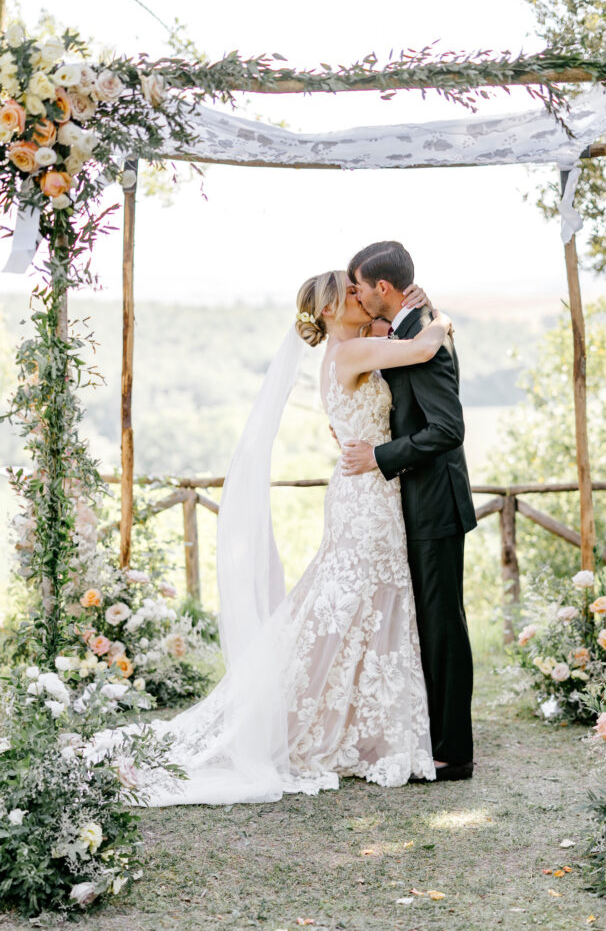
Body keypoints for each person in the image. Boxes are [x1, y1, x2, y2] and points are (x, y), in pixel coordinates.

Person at [138, 270, 453, 806]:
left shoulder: (357, 347)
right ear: (329, 310)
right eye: (349, 293)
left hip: (370, 489)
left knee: (363, 607)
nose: (359, 296)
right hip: (365, 499)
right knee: (347, 606)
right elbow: (424, 347)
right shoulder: (348, 353)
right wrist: (439, 316)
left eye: (359, 289)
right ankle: (304, 723)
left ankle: (363, 721)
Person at [342, 241, 477, 781]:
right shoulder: (413, 326)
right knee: (429, 623)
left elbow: (447, 429)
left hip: (435, 502)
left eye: (358, 285)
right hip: (414, 500)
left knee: (444, 626)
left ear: (383, 288)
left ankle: (454, 753)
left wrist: (379, 455)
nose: (354, 294)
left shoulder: (426, 331)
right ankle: (435, 735)